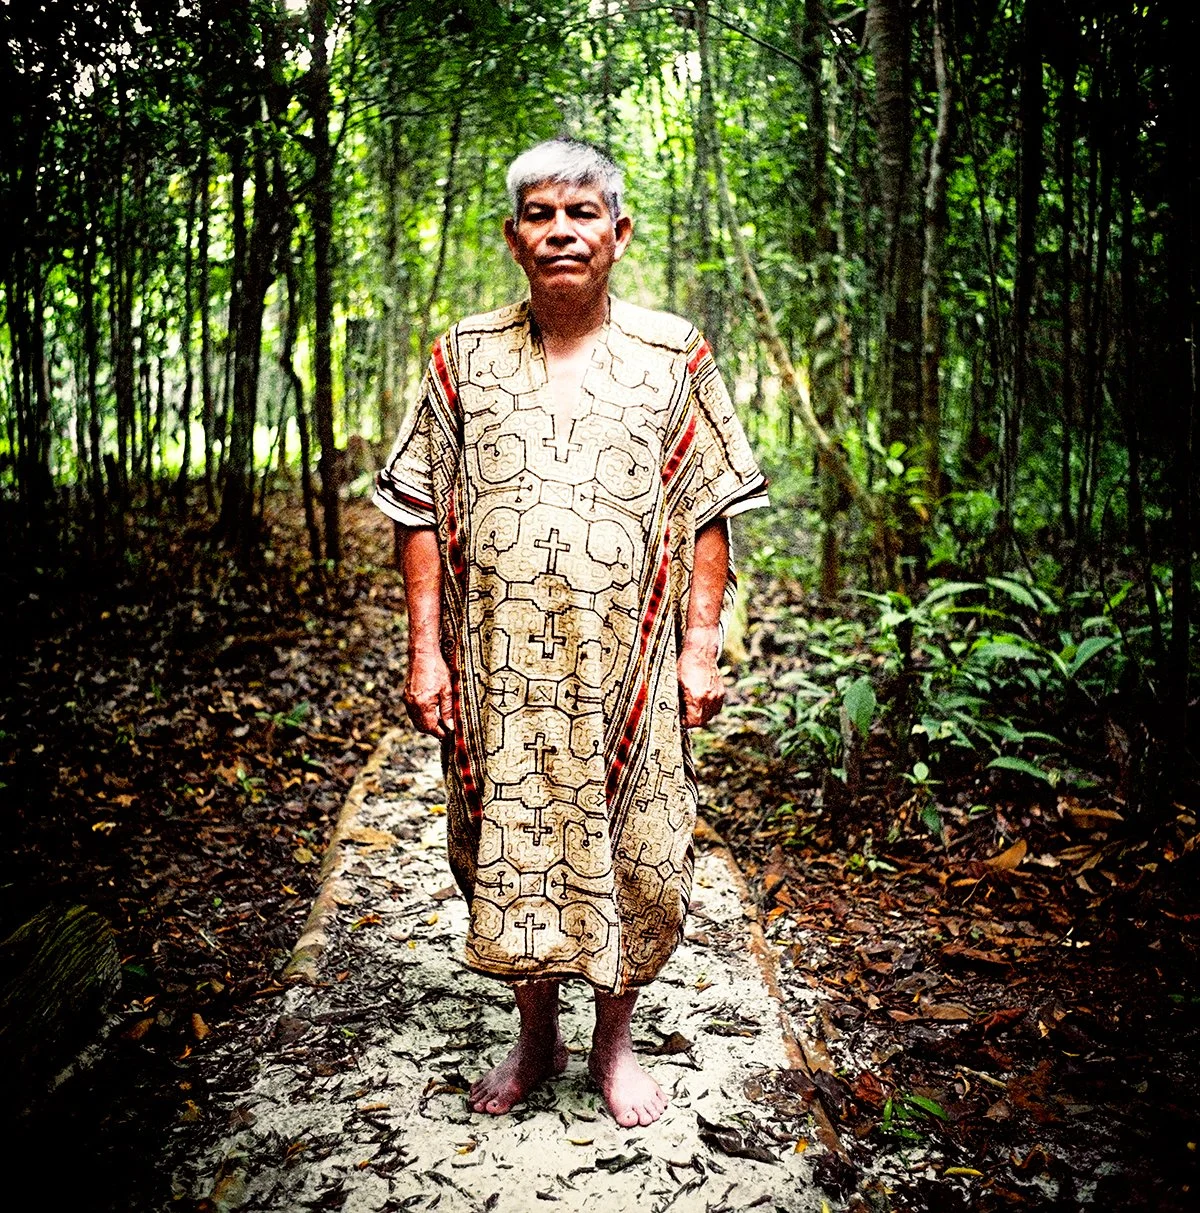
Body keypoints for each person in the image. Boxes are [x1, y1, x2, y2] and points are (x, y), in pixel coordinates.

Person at [373, 138, 768, 1128]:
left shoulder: (674, 354)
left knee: (635, 853)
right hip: (499, 677)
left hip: (624, 670)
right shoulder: (461, 355)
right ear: (513, 238)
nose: (561, 230)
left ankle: (613, 1042)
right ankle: (535, 1035)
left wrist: (699, 645)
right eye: (540, 214)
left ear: (619, 232)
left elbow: (707, 505)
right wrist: (426, 652)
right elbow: (415, 504)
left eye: (581, 213)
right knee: (505, 853)